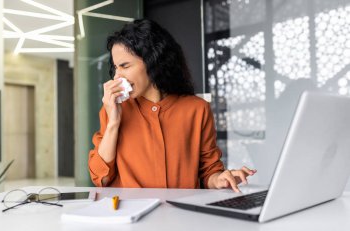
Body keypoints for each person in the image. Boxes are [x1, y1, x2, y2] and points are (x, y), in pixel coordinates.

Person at [88, 19, 256, 192]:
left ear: (153, 61)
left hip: (180, 215)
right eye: (115, 68)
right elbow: (101, 177)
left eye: (124, 66)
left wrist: (220, 179)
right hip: (130, 214)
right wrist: (113, 123)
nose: (117, 76)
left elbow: (208, 172)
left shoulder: (197, 109)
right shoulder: (113, 109)